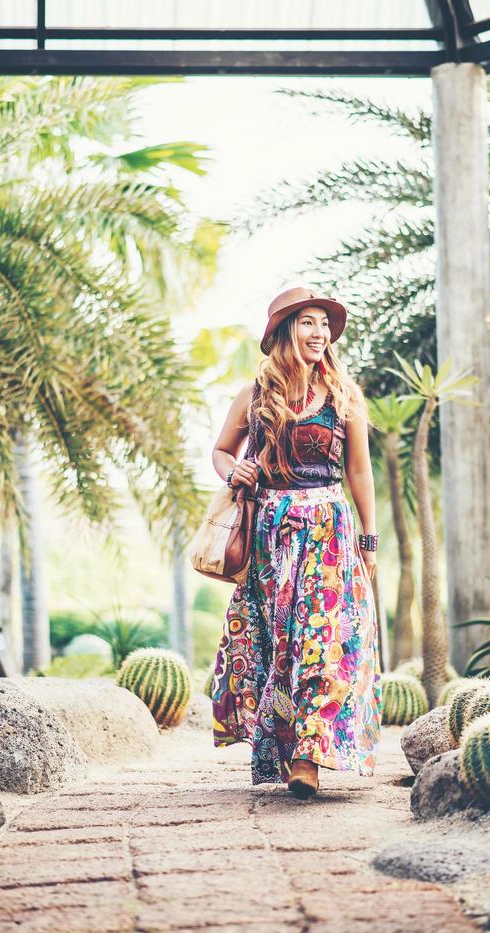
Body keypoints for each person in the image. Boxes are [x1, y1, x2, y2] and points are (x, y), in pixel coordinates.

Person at [210, 285, 382, 799]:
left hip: (329, 531)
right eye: (308, 322)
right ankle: (286, 748)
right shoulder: (256, 395)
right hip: (271, 535)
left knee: (324, 640)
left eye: (324, 325)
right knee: (276, 644)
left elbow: (360, 471)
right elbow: (221, 451)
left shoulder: (345, 396)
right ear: (285, 331)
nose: (320, 333)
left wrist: (368, 540)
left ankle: (310, 755)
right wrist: (234, 468)